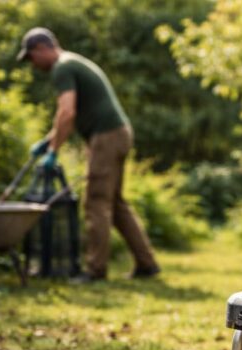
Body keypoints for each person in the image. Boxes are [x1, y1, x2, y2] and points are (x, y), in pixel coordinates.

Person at [18, 27, 160, 282]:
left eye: (31, 57)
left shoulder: (62, 67)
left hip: (106, 137)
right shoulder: (71, 62)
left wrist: (53, 151)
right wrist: (48, 142)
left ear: (42, 48)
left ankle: (95, 270)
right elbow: (66, 116)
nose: (32, 64)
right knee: (114, 204)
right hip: (118, 134)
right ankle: (147, 264)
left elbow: (67, 113)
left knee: (96, 202)